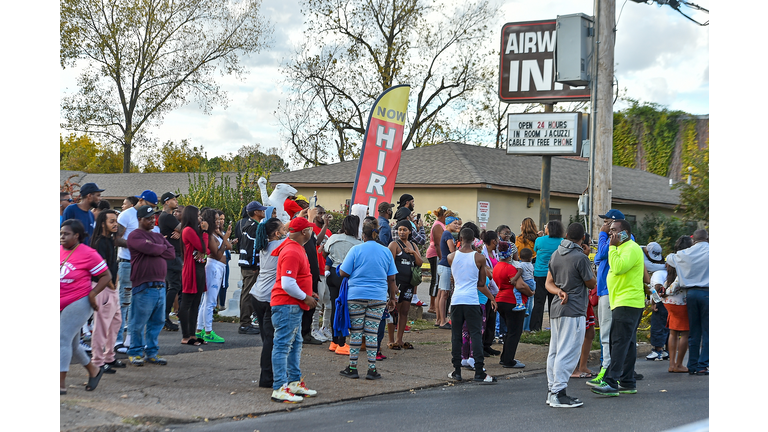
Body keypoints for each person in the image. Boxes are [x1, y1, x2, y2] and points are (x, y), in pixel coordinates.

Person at [338, 218, 399, 380]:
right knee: (372, 333)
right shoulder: (386, 251)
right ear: (376, 235)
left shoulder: (356, 250)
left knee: (357, 332)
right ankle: (372, 369)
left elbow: (343, 272)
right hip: (378, 297)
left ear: (363, 236)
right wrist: (392, 298)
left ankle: (352, 368)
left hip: (356, 296)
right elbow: (391, 278)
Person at [591, 219, 646, 396]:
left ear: (626, 233)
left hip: (627, 302)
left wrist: (612, 248)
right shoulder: (623, 248)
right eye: (610, 231)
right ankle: (627, 381)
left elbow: (619, 267)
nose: (611, 234)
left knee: (618, 343)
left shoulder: (630, 247)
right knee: (627, 344)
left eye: (614, 230)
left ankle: (611, 381)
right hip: (623, 301)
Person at [544, 222, 596, 407]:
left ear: (566, 235)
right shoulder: (580, 257)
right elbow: (591, 283)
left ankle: (553, 391)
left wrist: (558, 291)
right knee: (568, 351)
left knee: (556, 351)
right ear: (583, 238)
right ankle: (559, 392)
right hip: (574, 309)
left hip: (557, 306)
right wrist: (587, 257)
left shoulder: (556, 254)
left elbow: (548, 283)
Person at [269, 217, 319, 403]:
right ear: (304, 232)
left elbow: (294, 280)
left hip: (291, 304)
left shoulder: (294, 248)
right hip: (287, 304)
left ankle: (293, 382)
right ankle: (279, 387)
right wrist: (305, 297)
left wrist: (307, 293)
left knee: (294, 344)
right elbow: (287, 283)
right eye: (311, 229)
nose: (313, 232)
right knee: (283, 345)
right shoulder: (291, 250)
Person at [60, 219, 112, 394]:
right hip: (60, 300)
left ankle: (60, 384)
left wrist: (93, 293)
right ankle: (94, 370)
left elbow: (106, 275)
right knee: (72, 344)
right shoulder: (58, 250)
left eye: (66, 234)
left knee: (61, 339)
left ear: (76, 236)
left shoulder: (88, 253)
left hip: (79, 301)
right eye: (60, 233)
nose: (61, 236)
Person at [446, 228, 498, 384]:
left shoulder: (451, 257)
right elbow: (481, 284)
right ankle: (479, 371)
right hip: (472, 300)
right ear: (474, 240)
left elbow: (454, 280)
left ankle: (456, 370)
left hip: (456, 300)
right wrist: (492, 298)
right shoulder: (479, 258)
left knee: (456, 335)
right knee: (476, 334)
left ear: (460, 239)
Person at [126, 205, 176, 366]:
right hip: (144, 286)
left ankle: (152, 352)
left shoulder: (158, 235)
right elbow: (147, 248)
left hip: (160, 286)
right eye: (148, 219)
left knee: (157, 322)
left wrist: (156, 248)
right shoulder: (134, 235)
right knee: (138, 322)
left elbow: (171, 252)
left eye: (152, 218)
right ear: (139, 219)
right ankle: (135, 352)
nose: (151, 221)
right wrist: (160, 248)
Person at [114, 190, 158, 353]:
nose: (151, 210)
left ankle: (131, 340)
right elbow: (116, 239)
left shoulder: (147, 218)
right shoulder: (126, 215)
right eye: (150, 206)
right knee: (123, 303)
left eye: (154, 208)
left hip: (142, 263)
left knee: (138, 304)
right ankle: (117, 341)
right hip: (127, 262)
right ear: (141, 200)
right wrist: (137, 244)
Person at [587, 209, 627, 387]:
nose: (604, 225)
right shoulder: (614, 237)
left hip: (611, 290)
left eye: (606, 222)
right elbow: (597, 257)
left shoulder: (623, 238)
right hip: (604, 289)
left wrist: (602, 235)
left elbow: (601, 254)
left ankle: (608, 370)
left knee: (609, 332)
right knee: (605, 331)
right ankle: (607, 368)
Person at [666, 229, 709, 375]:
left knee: (693, 331)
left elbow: (669, 258)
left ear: (694, 240)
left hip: (691, 294)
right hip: (708, 293)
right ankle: (703, 365)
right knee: (707, 331)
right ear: (707, 238)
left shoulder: (686, 254)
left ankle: (692, 365)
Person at [250, 217, 287, 388]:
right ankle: (267, 377)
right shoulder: (279, 246)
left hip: (257, 294)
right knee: (270, 340)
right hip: (268, 297)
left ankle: (270, 372)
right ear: (277, 233)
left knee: (267, 339)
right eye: (282, 229)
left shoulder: (264, 245)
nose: (285, 231)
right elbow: (294, 235)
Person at [89, 210, 125, 375]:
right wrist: (111, 284)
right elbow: (101, 269)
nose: (115, 224)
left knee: (115, 322)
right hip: (103, 288)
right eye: (111, 221)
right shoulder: (99, 243)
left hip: (112, 288)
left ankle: (109, 356)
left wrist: (115, 282)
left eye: (116, 221)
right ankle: (97, 361)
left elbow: (112, 264)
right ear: (102, 223)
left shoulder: (110, 240)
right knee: (101, 326)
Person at [324, 215, 362, 355]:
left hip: (332, 273)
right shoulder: (357, 243)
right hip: (345, 275)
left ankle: (334, 341)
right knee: (345, 308)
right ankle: (342, 342)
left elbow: (325, 251)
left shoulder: (333, 238)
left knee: (335, 307)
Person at [194, 209, 231, 343]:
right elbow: (218, 254)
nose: (218, 222)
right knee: (209, 302)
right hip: (213, 267)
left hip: (218, 267)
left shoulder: (215, 234)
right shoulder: (209, 235)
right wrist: (225, 238)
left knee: (206, 301)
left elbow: (229, 247)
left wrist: (223, 236)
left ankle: (199, 329)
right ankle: (208, 331)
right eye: (215, 220)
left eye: (219, 219)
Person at [494, 241, 533, 369]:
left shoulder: (497, 267)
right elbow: (520, 285)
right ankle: (508, 360)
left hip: (500, 300)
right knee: (514, 332)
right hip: (513, 302)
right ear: (510, 253)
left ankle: (505, 357)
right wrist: (530, 292)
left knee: (508, 331)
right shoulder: (510, 268)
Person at [387, 219, 423, 350]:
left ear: (410, 231)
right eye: (400, 229)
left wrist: (413, 252)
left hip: (408, 284)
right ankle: (391, 340)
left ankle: (400, 339)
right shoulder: (394, 245)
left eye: (404, 230)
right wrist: (393, 285)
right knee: (393, 311)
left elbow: (419, 262)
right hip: (397, 284)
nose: (401, 232)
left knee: (405, 311)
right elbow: (389, 265)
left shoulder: (413, 245)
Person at [662, 235, 694, 373]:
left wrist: (665, 292)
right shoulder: (686, 261)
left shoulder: (673, 258)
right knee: (685, 334)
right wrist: (669, 291)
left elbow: (669, 278)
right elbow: (679, 281)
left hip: (669, 302)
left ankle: (671, 364)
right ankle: (679, 364)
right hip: (681, 302)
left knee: (673, 332)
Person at [179, 205, 209, 346]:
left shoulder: (194, 231)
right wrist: (204, 232)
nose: (200, 218)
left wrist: (203, 241)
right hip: (191, 269)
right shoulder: (188, 230)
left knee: (196, 303)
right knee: (187, 303)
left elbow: (206, 250)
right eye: (198, 215)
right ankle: (185, 336)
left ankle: (192, 334)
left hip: (199, 268)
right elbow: (203, 248)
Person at [238, 201, 268, 335]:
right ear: (255, 212)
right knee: (248, 293)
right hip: (250, 265)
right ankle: (244, 323)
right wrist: (255, 264)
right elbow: (253, 248)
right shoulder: (254, 227)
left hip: (247, 264)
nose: (263, 212)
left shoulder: (249, 224)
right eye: (261, 210)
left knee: (247, 292)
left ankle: (246, 322)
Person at [530, 220, 565, 332]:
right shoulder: (562, 241)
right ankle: (554, 327)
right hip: (555, 275)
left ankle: (535, 328)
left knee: (539, 302)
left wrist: (541, 236)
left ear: (548, 229)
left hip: (540, 273)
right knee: (553, 301)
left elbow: (535, 250)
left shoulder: (539, 240)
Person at [158, 192, 182, 332]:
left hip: (171, 255)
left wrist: (179, 230)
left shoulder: (167, 217)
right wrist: (180, 230)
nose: (176, 201)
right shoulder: (167, 216)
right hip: (172, 256)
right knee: (174, 286)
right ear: (166, 202)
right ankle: (165, 318)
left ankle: (164, 317)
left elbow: (181, 229)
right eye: (173, 199)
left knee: (171, 286)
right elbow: (185, 228)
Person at [643, 242, 669, 361]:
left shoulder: (657, 273)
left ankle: (657, 351)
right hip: (668, 301)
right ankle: (664, 351)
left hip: (660, 302)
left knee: (657, 325)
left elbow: (657, 287)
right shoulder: (665, 270)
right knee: (666, 327)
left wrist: (654, 302)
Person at [311, 206, 333, 342]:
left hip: (327, 270)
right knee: (317, 304)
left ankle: (325, 327)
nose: (323, 215)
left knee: (329, 303)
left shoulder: (329, 231)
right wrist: (325, 225)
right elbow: (317, 241)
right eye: (320, 213)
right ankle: (314, 329)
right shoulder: (312, 228)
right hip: (317, 270)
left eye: (324, 213)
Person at [435, 213, 461, 328]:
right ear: (448, 223)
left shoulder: (445, 234)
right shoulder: (448, 235)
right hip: (446, 266)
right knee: (444, 294)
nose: (457, 225)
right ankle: (443, 320)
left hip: (441, 265)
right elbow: (452, 251)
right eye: (454, 223)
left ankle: (438, 319)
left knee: (440, 293)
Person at [479, 230, 501, 357]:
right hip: (487, 289)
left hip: (495, 288)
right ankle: (481, 345)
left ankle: (487, 344)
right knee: (485, 317)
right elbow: (487, 270)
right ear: (493, 241)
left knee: (492, 318)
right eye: (497, 240)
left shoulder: (494, 253)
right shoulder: (483, 253)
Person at [425, 206, 448, 313]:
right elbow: (438, 244)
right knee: (436, 279)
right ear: (443, 215)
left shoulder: (442, 224)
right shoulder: (438, 225)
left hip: (439, 254)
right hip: (435, 254)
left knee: (438, 280)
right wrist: (441, 257)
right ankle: (432, 305)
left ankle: (437, 305)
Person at [519, 248, 536, 331]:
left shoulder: (520, 265)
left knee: (522, 300)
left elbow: (520, 274)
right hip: (532, 283)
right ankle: (527, 327)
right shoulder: (531, 265)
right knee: (530, 303)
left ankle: (522, 327)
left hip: (525, 284)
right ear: (530, 258)